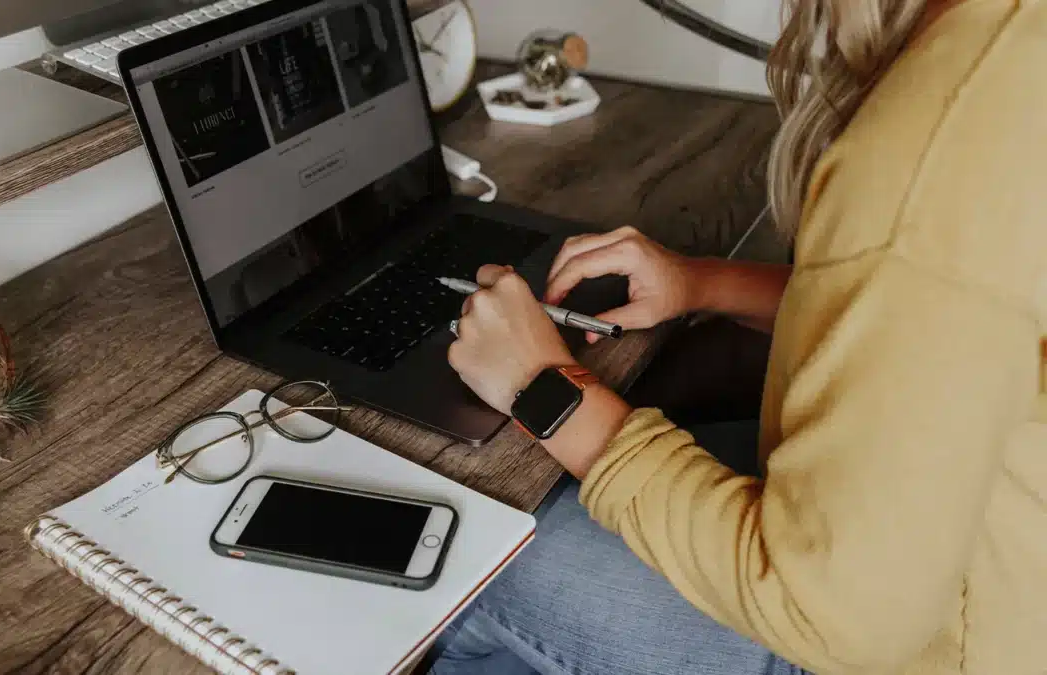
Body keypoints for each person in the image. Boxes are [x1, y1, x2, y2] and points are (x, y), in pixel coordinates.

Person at [432, 0, 1047, 673]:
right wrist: (698, 283)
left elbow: (831, 618)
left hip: (882, 635)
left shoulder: (930, 149)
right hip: (957, 548)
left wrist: (544, 387)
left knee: (462, 547)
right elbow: (936, 320)